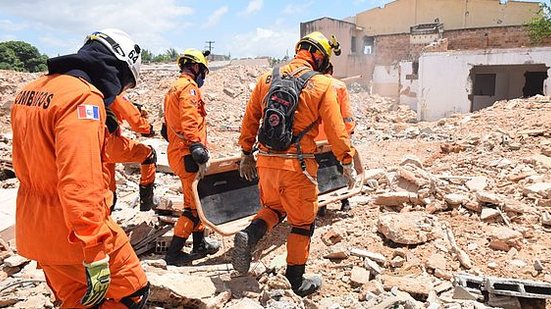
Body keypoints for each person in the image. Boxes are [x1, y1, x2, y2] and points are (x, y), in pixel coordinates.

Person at [11, 29, 149, 308]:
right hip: (75, 235)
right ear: (117, 68)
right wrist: (95, 249)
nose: (120, 93)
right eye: (125, 84)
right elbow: (80, 181)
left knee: (76, 299)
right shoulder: (83, 99)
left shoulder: (32, 90)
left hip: (34, 228)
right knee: (132, 293)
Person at [233, 31, 357, 297]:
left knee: (273, 208)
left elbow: (250, 119)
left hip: (266, 163)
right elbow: (336, 130)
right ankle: (295, 280)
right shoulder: (322, 84)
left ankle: (249, 235)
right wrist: (347, 161)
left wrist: (246, 152)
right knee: (302, 222)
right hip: (297, 167)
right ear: (319, 56)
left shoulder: (266, 78)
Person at [163, 48, 220, 266]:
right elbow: (189, 119)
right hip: (187, 153)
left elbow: (165, 126)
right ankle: (174, 253)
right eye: (203, 72)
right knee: (193, 209)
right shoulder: (189, 88)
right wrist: (196, 146)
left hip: (177, 152)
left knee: (196, 202)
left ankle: (199, 245)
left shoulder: (173, 88)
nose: (202, 77)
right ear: (195, 67)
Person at [315, 62, 356, 216]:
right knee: (340, 167)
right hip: (335, 137)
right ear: (331, 70)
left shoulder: (310, 86)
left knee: (318, 171)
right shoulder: (339, 86)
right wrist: (348, 134)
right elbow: (346, 115)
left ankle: (321, 206)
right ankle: (344, 201)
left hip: (315, 140)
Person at [104, 94, 157, 212]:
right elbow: (135, 120)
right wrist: (148, 129)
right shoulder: (111, 90)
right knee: (148, 154)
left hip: (89, 146)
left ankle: (106, 210)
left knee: (106, 184)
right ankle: (146, 202)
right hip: (108, 143)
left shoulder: (84, 91)